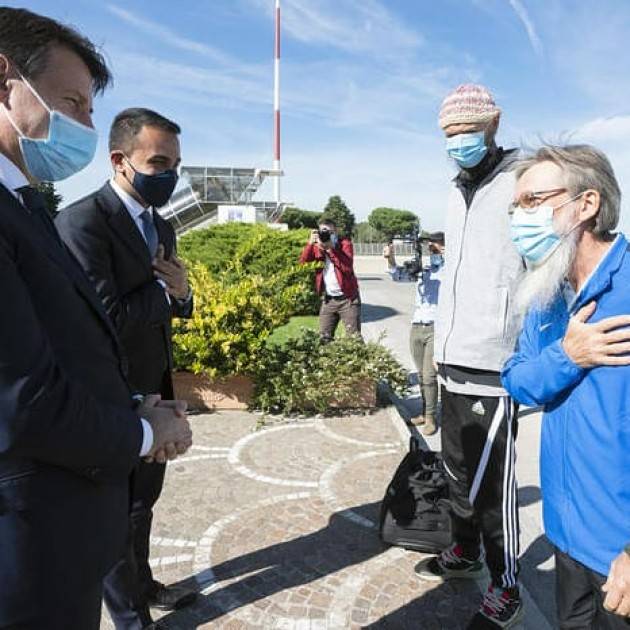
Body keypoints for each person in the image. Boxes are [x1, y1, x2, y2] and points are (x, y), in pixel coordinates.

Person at [0, 8, 192, 629]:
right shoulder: (77, 219)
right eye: (73, 102)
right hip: (30, 529)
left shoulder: (23, 202)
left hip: (112, 425)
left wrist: (138, 402)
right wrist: (138, 431)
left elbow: (66, 336)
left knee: (137, 520)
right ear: (5, 81)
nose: (83, 123)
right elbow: (21, 397)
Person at [56, 108, 196, 628]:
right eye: (158, 161)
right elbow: (103, 316)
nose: (169, 174)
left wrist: (181, 294)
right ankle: (131, 618)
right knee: (115, 514)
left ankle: (143, 582)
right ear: (119, 159)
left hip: (155, 387)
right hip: (112, 398)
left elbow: (173, 301)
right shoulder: (82, 221)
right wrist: (166, 291)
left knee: (144, 505)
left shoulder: (161, 225)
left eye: (175, 164)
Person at [502, 144, 630, 629]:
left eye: (532, 201)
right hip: (565, 531)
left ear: (587, 204)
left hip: (619, 552)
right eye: (516, 206)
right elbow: (518, 381)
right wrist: (567, 356)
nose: (519, 218)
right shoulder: (547, 291)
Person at [414, 84, 525, 630]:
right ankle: (464, 553)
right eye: (449, 133)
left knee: (492, 492)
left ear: (493, 123)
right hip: (453, 356)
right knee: (458, 475)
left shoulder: (523, 182)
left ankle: (508, 589)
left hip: (494, 365)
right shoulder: (457, 189)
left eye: (466, 130)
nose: (458, 141)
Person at [299, 217, 361, 342]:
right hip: (329, 300)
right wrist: (310, 244)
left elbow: (347, 267)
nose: (327, 235)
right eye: (324, 232)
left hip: (348, 299)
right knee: (324, 338)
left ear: (336, 232)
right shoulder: (317, 246)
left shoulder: (345, 244)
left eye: (330, 232)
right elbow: (303, 263)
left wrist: (330, 249)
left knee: (354, 339)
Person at [409, 232, 444, 435]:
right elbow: (398, 275)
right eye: (429, 246)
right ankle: (424, 412)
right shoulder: (424, 268)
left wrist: (445, 255)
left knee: (430, 376)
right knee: (422, 375)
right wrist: (391, 258)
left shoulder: (450, 268)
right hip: (417, 326)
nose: (431, 249)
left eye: (435, 246)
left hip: (435, 327)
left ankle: (431, 417)